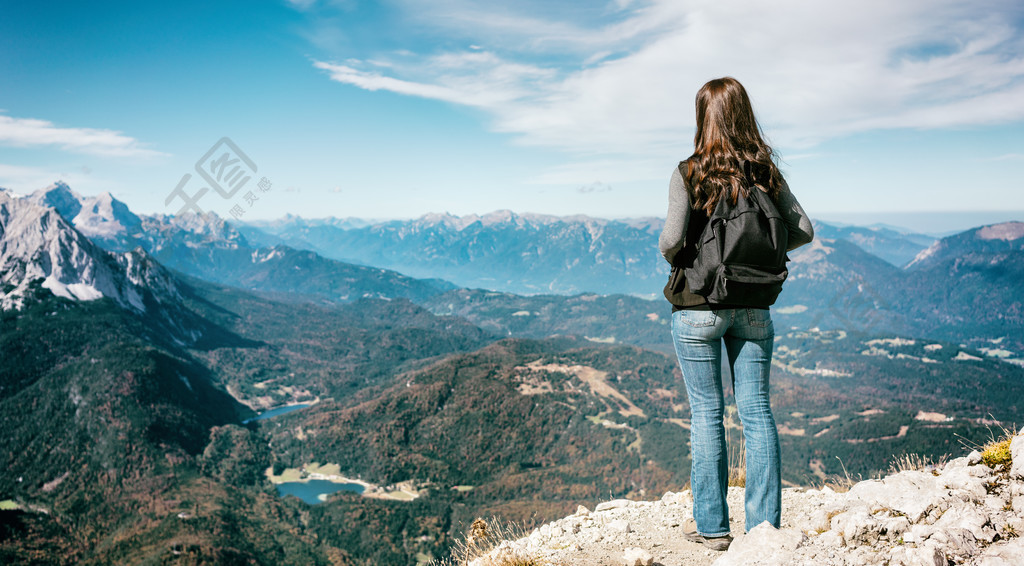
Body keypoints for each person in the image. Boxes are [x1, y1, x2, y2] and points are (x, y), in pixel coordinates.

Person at [658, 77, 814, 551]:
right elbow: (803, 229)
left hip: (699, 309)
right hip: (754, 306)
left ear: (702, 117)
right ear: (744, 114)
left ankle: (712, 528)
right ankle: (765, 530)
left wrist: (686, 253)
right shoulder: (766, 172)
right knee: (757, 412)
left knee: (707, 413)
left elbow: (669, 241)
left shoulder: (689, 172)